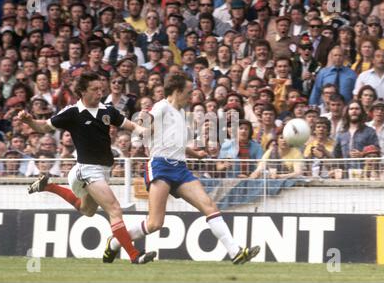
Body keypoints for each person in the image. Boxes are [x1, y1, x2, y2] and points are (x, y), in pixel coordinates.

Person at [103, 73, 260, 264]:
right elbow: (145, 122)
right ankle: (115, 243)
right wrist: (144, 129)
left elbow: (175, 142)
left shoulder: (180, 113)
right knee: (154, 224)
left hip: (180, 168)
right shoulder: (162, 106)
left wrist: (195, 154)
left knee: (209, 205)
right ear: (177, 91)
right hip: (160, 165)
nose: (191, 95)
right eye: (188, 91)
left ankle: (236, 252)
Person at [17, 72, 156, 264]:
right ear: (82, 91)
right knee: (115, 209)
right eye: (95, 89)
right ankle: (134, 255)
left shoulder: (107, 110)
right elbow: (43, 127)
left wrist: (142, 130)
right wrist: (29, 121)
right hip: (87, 170)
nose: (100, 93)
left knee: (87, 210)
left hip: (104, 170)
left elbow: (129, 124)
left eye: (101, 89)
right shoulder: (72, 112)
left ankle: (47, 186)